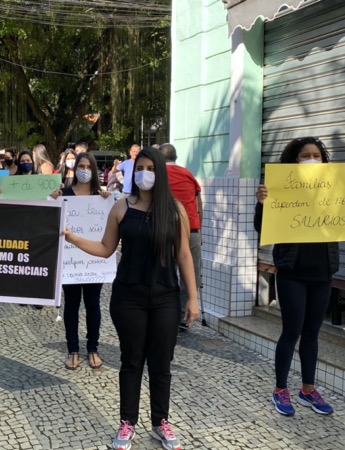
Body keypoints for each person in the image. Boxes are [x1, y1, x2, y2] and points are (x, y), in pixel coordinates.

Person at [63, 147, 199, 450]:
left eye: (151, 168)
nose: (144, 173)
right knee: (132, 360)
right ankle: (127, 423)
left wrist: (193, 297)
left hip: (166, 296)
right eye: (140, 168)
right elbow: (105, 248)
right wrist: (74, 239)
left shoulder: (175, 209)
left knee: (161, 363)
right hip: (128, 297)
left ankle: (160, 422)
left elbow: (184, 254)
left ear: (160, 172)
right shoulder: (122, 208)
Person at [254, 137, 345, 417]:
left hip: (323, 273)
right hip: (292, 273)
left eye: (316, 155)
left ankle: (308, 389)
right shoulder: (280, 189)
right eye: (305, 155)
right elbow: (261, 227)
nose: (312, 159)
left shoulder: (333, 189)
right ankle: (280, 389)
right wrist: (262, 203)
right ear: (294, 160)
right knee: (292, 332)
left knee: (312, 334)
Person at [50, 152, 110, 370]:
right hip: (70, 262)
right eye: (81, 166)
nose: (84, 170)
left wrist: (107, 199)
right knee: (72, 305)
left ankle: (93, 348)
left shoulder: (100, 197)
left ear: (94, 170)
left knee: (93, 305)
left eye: (88, 166)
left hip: (94, 262)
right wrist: (53, 198)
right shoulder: (64, 194)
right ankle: (72, 350)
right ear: (75, 170)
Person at [160, 143, 203, 331]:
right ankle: (184, 317)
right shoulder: (188, 175)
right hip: (191, 229)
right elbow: (198, 204)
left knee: (166, 273)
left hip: (165, 231)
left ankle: (167, 313)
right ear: (176, 157)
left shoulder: (159, 175)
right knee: (190, 274)